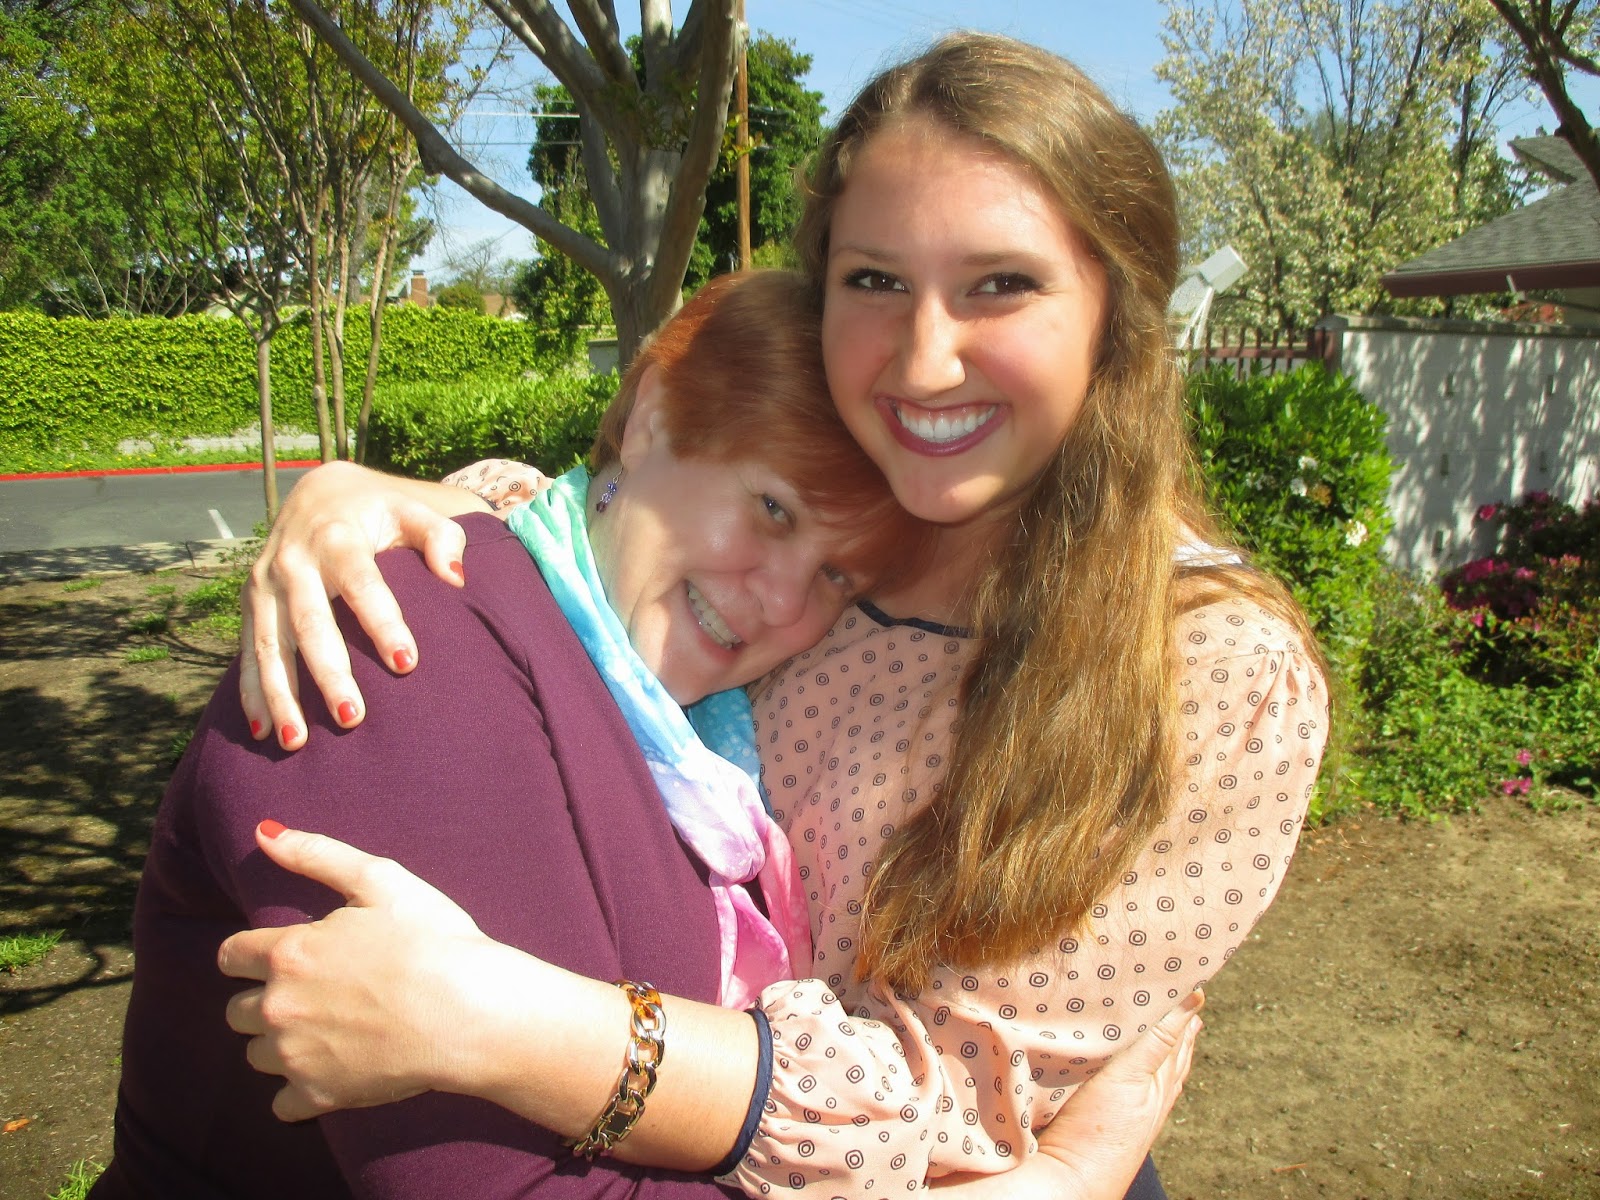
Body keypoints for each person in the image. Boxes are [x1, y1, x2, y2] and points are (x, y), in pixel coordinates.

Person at [217, 33, 1327, 1200]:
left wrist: (495, 1020)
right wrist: (388, 500)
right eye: (875, 280)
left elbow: (949, 1107)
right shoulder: (863, 517)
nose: (925, 360)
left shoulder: (1207, 664)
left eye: (1001, 283)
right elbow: (618, 547)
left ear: (1117, 315)